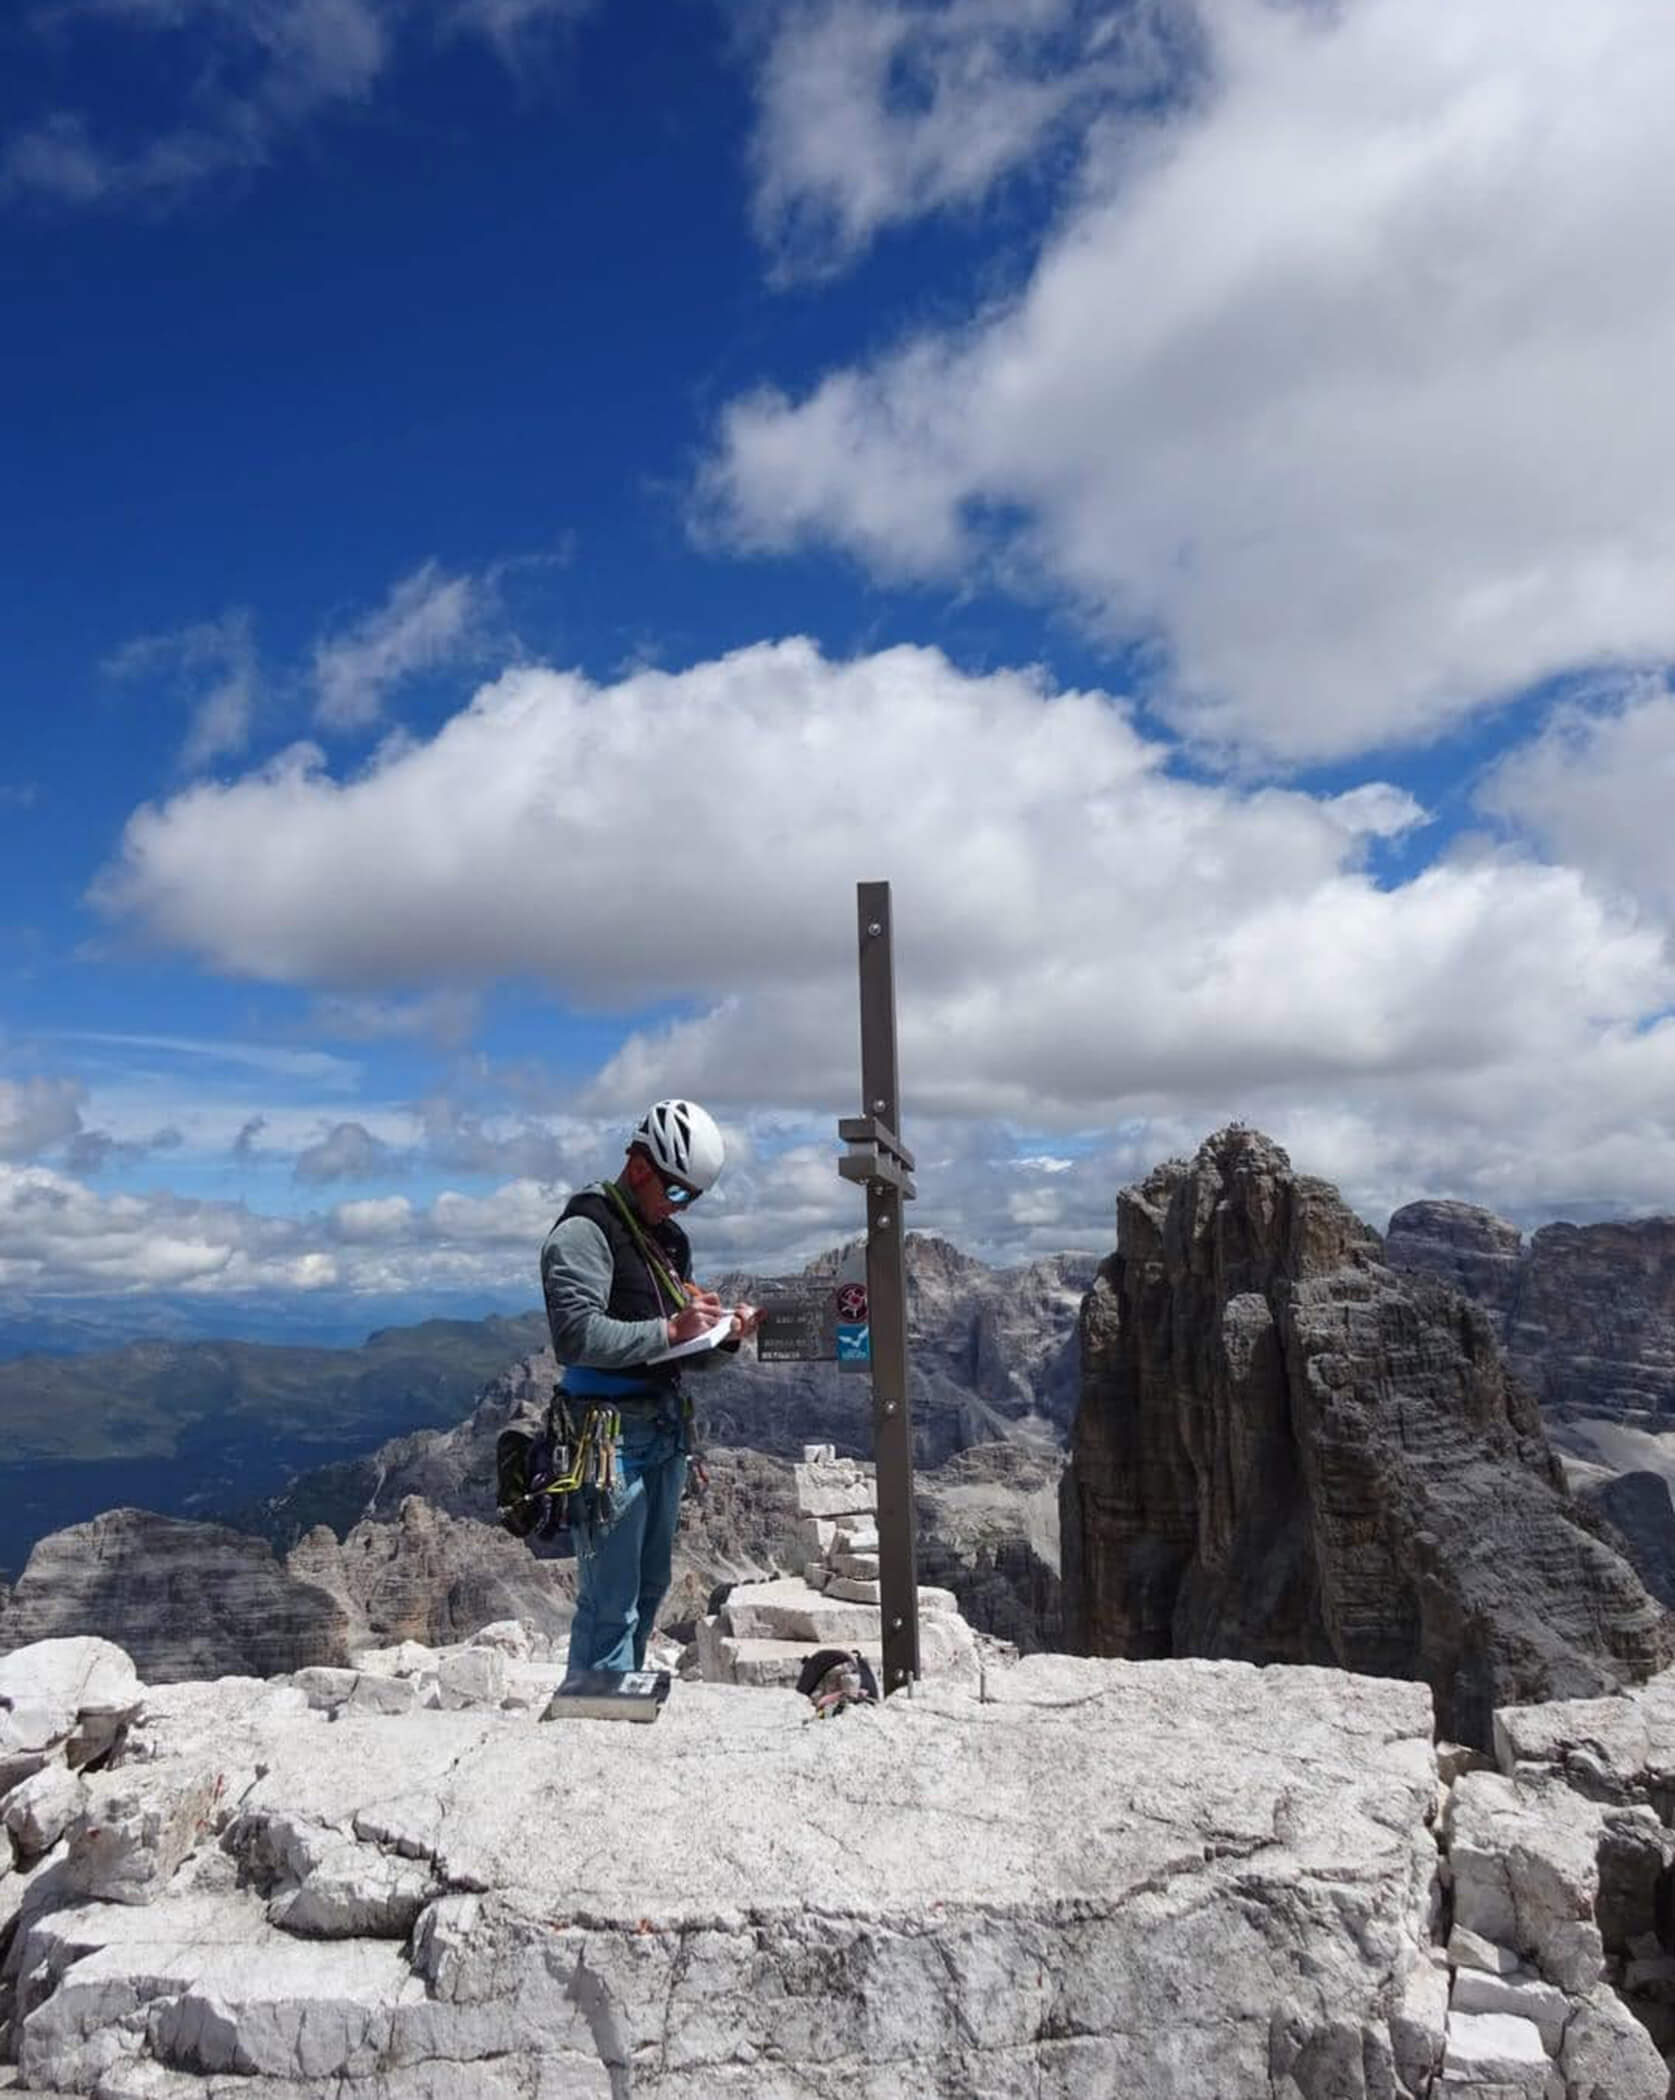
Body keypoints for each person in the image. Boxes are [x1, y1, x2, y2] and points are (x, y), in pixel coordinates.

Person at [539, 1098, 759, 1679]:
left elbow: (676, 1357)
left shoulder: (669, 1241)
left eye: (692, 1198)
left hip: (662, 1430)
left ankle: (619, 1695)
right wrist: (669, 1327)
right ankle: (593, 1713)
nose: (681, 1207)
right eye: (678, 1192)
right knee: (612, 1597)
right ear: (639, 1167)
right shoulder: (586, 1231)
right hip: (609, 1438)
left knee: (649, 1584)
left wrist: (722, 1335)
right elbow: (576, 1336)